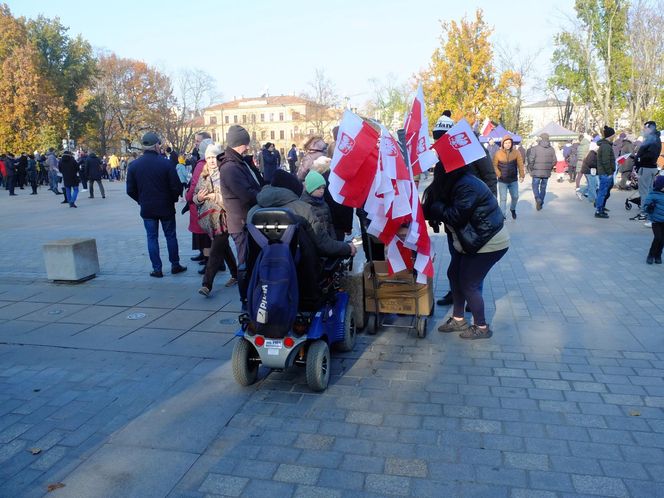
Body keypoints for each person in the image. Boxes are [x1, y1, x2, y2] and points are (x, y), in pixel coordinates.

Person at [423, 165, 509, 340]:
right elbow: (429, 208)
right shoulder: (451, 185)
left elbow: (456, 215)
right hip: (472, 240)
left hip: (489, 240)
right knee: (454, 274)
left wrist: (437, 207)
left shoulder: (466, 185)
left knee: (469, 283)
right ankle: (458, 319)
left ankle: (482, 327)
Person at [126, 132, 187, 278]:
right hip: (165, 206)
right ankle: (175, 264)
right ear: (156, 145)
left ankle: (157, 268)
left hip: (147, 207)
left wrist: (141, 200)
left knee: (152, 237)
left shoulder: (134, 165)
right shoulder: (166, 163)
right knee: (170, 236)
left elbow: (130, 190)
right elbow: (176, 187)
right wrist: (171, 199)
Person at [218, 125, 264, 307]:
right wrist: (263, 195)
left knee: (251, 261)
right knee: (244, 262)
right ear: (240, 144)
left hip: (247, 220)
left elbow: (254, 185)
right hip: (241, 223)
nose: (248, 147)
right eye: (246, 143)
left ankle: (251, 295)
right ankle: (245, 299)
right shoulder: (230, 167)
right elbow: (247, 194)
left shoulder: (239, 162)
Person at [194, 144, 238, 296]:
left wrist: (215, 197)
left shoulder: (225, 173)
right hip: (210, 219)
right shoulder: (204, 174)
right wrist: (198, 198)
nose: (211, 161)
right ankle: (236, 274)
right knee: (223, 247)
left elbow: (232, 197)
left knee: (215, 250)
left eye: (214, 157)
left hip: (224, 217)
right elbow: (195, 196)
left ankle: (207, 284)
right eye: (209, 158)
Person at [186, 138, 214, 273]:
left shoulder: (201, 164)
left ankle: (211, 263)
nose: (195, 144)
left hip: (202, 203)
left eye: (197, 142)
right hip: (212, 204)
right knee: (211, 235)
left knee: (205, 235)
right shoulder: (215, 162)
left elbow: (194, 185)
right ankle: (210, 259)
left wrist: (188, 197)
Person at [310, 156, 354, 240]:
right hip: (337, 225)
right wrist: (348, 227)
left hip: (317, 225)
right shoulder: (337, 180)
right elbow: (345, 205)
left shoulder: (312, 181)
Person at [635, 121, 662, 222]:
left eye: (645, 128)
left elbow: (650, 155)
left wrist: (639, 159)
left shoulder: (653, 140)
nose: (643, 130)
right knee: (649, 190)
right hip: (650, 168)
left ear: (650, 128)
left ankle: (644, 212)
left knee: (644, 191)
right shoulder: (654, 139)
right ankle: (647, 211)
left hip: (646, 168)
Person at [493, 136, 525, 220]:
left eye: (509, 143)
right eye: (506, 143)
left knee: (515, 196)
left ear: (512, 143)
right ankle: (503, 215)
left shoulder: (516, 152)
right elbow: (494, 166)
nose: (507, 144)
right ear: (503, 144)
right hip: (502, 180)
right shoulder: (498, 153)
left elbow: (520, 164)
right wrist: (499, 174)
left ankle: (512, 209)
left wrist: (522, 175)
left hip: (513, 180)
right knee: (503, 199)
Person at [527, 133, 557, 210]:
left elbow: (531, 160)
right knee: (543, 188)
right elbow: (555, 161)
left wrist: (531, 168)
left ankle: (537, 199)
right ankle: (541, 202)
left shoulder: (535, 148)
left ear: (541, 139)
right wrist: (549, 167)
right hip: (546, 172)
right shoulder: (552, 149)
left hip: (536, 171)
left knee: (535, 186)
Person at [594, 126, 616, 219]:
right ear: (611, 135)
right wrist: (609, 172)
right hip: (606, 173)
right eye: (614, 135)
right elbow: (605, 161)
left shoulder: (605, 145)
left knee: (604, 191)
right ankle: (599, 210)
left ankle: (600, 207)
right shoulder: (606, 146)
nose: (615, 136)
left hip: (605, 173)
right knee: (603, 192)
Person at [643, 175, 664, 264]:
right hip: (656, 221)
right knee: (658, 238)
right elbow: (645, 208)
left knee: (662, 239)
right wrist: (649, 207)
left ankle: (658, 255)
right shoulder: (652, 195)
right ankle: (651, 255)